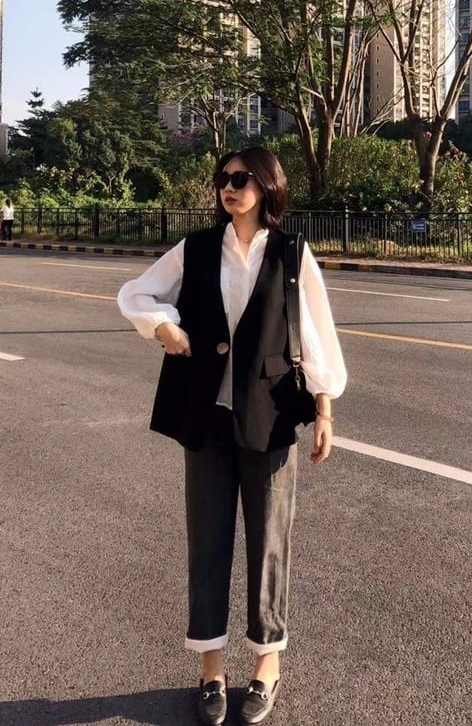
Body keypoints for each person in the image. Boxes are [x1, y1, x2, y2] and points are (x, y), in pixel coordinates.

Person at [117, 147, 346, 726]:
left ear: (267, 186)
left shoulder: (292, 253)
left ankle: (268, 662)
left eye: (242, 178)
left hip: (270, 418)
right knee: (208, 541)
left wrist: (324, 409)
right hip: (207, 417)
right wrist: (162, 326)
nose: (230, 186)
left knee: (269, 544)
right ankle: (211, 668)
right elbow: (135, 293)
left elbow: (316, 334)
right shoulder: (196, 248)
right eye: (223, 178)